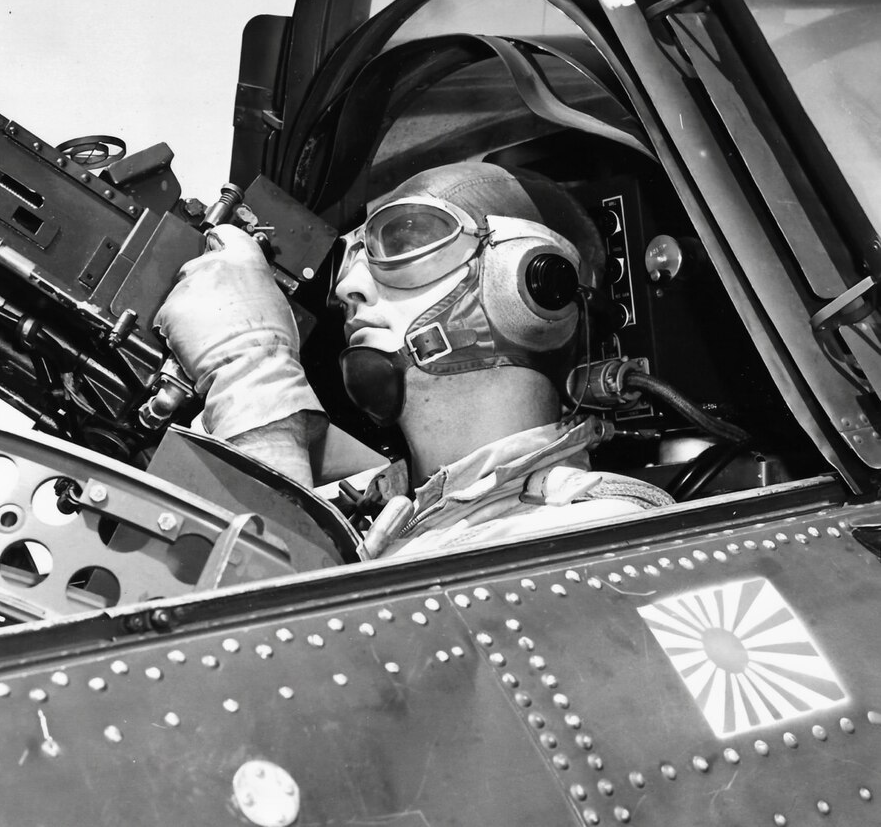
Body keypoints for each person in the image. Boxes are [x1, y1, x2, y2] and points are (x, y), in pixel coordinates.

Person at [154, 160, 672, 559]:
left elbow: (292, 660)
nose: (348, 286)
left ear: (530, 285)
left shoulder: (599, 534)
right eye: (353, 258)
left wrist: (252, 375)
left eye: (402, 240)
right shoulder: (373, 512)